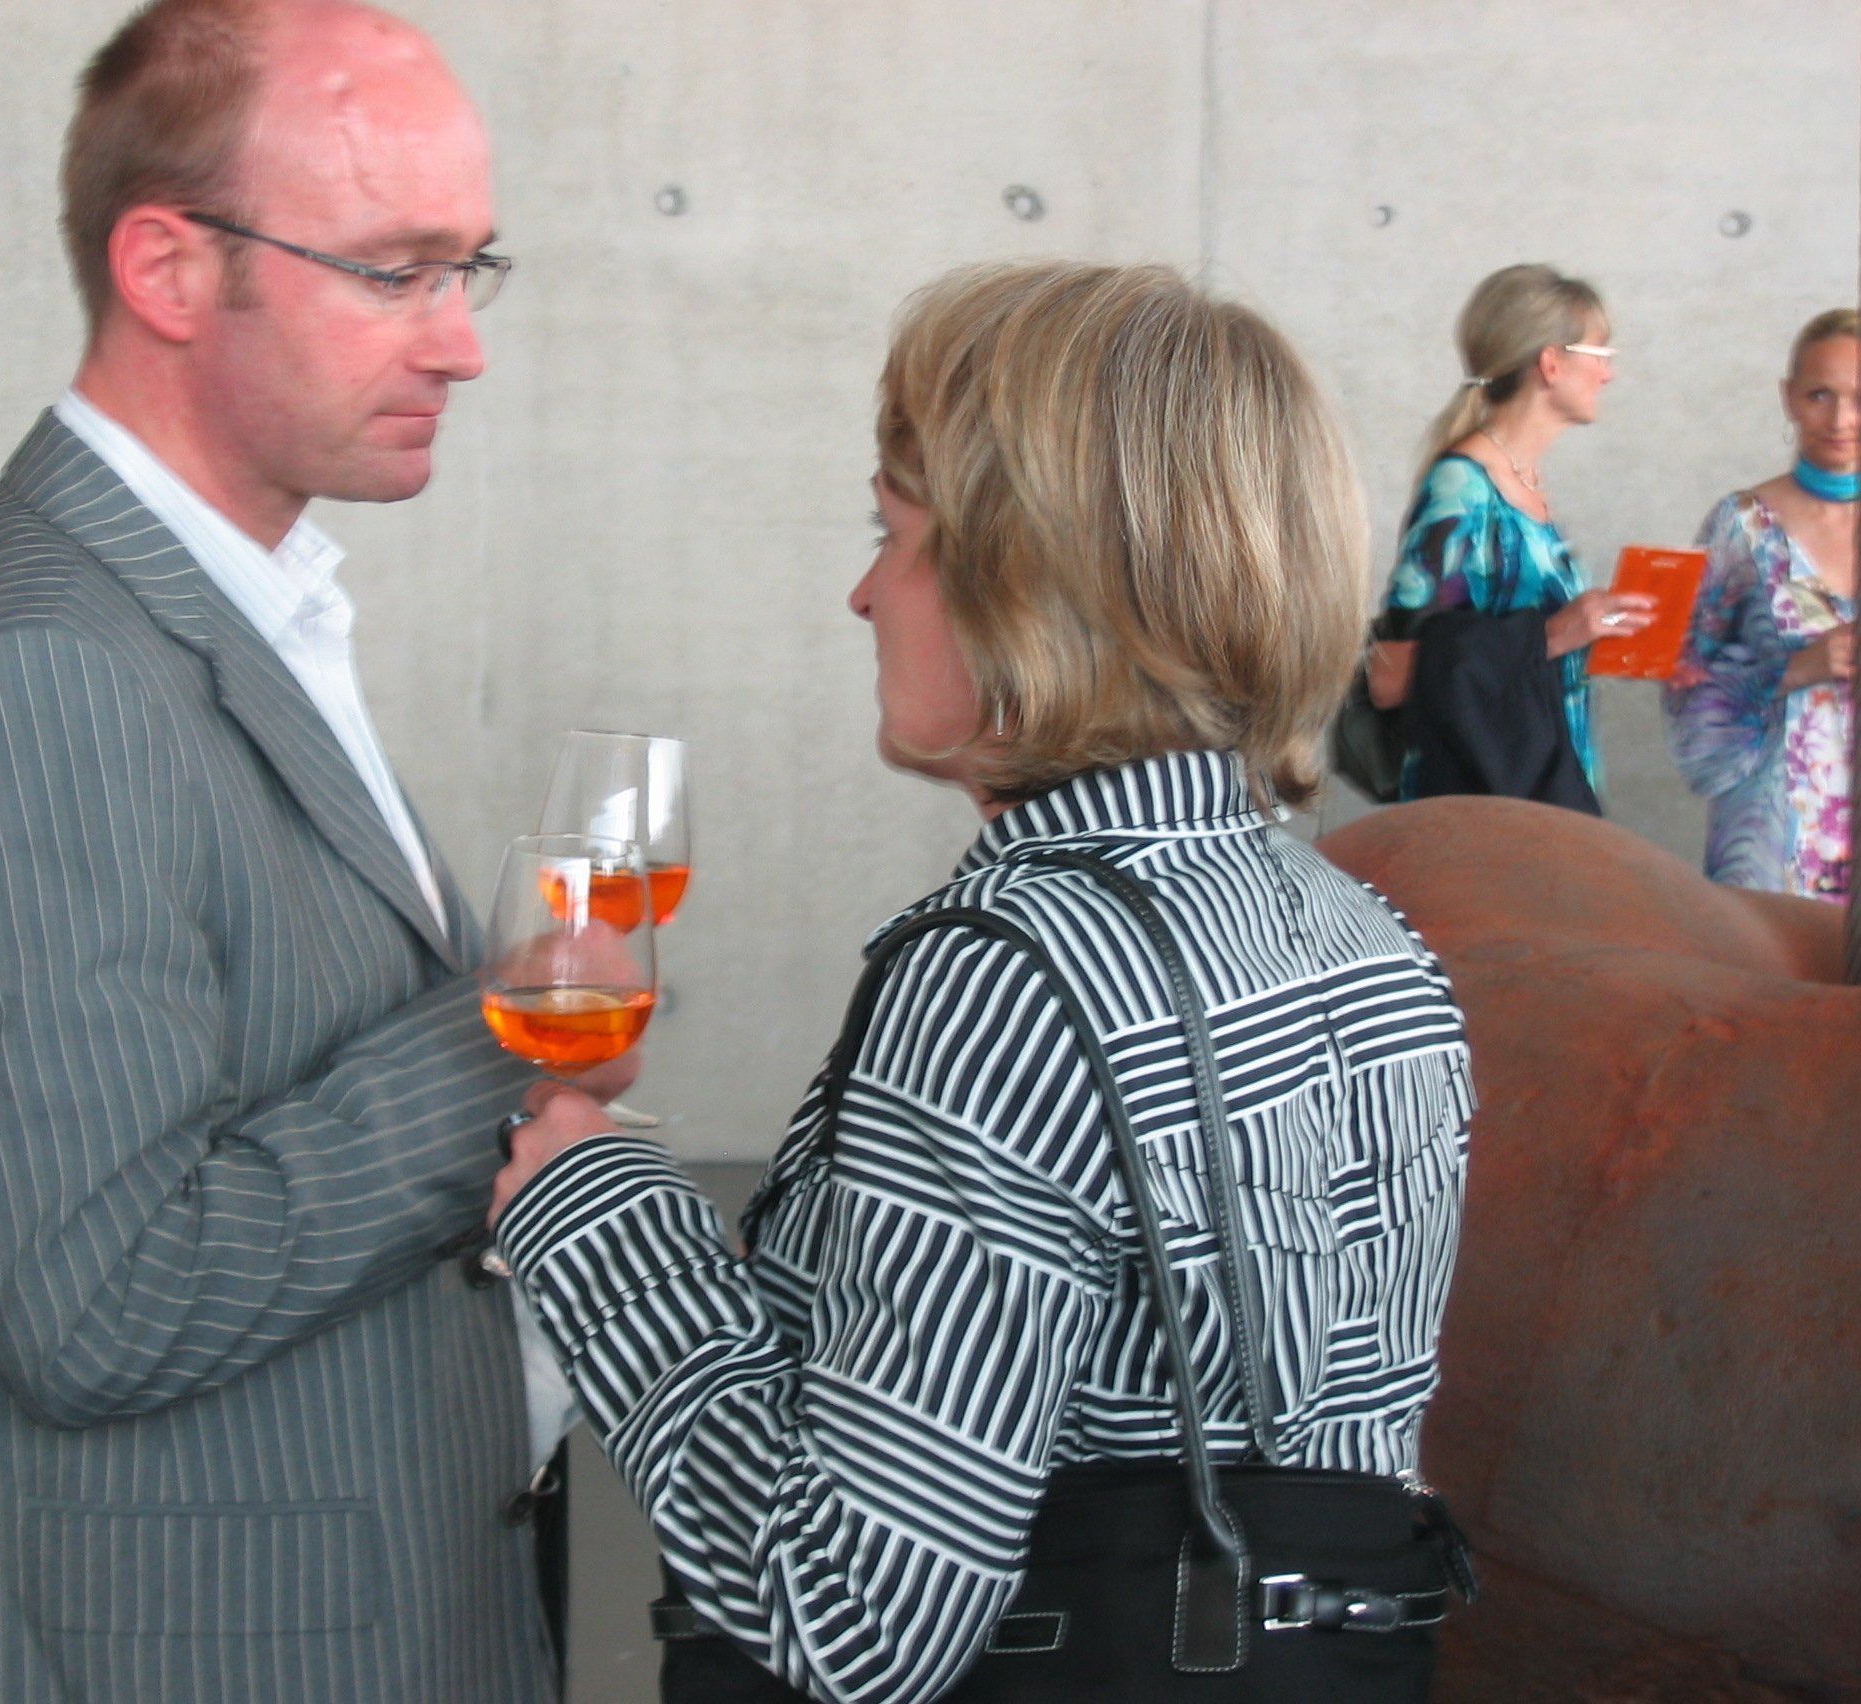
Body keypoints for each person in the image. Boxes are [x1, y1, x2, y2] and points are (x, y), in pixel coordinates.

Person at [490, 262, 1478, 1703]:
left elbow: (855, 1614)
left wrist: (595, 1206)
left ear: (1027, 584)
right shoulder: (1369, 940)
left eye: (893, 534)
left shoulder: (1008, 978)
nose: (862, 592)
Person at [0, 3, 606, 1697]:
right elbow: (101, 1296)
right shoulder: (45, 671)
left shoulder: (221, 605)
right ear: (170, 270)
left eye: (470, 269)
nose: (460, 345)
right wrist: (507, 1035)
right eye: (395, 272)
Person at [1364, 263, 1655, 807]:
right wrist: (1554, 634)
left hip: (1541, 798)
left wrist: (1606, 639)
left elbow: (1509, 651)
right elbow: (1388, 676)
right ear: (1551, 362)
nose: (1609, 374)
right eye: (1600, 354)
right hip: (1481, 816)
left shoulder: (1524, 485)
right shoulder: (1462, 490)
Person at [1664, 309, 1858, 902]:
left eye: (1858, 398)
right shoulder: (1741, 526)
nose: (1841, 419)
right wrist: (1797, 668)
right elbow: (1682, 685)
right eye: (1820, 395)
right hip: (1771, 847)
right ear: (1788, 397)